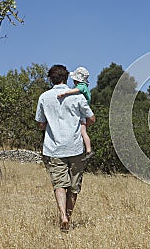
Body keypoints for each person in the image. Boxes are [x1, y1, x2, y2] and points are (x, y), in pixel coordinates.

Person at [35, 64, 95, 232]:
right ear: (67, 77)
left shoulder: (44, 97)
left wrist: (49, 124)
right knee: (74, 187)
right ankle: (69, 215)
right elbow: (91, 119)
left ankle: (62, 215)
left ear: (51, 79)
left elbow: (40, 124)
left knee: (59, 184)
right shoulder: (78, 97)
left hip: (54, 148)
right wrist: (82, 125)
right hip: (75, 147)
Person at [57, 66, 94, 159]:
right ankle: (87, 149)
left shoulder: (81, 87)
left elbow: (77, 90)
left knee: (83, 132)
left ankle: (88, 150)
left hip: (82, 112)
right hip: (84, 111)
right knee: (83, 131)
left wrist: (65, 93)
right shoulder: (85, 86)